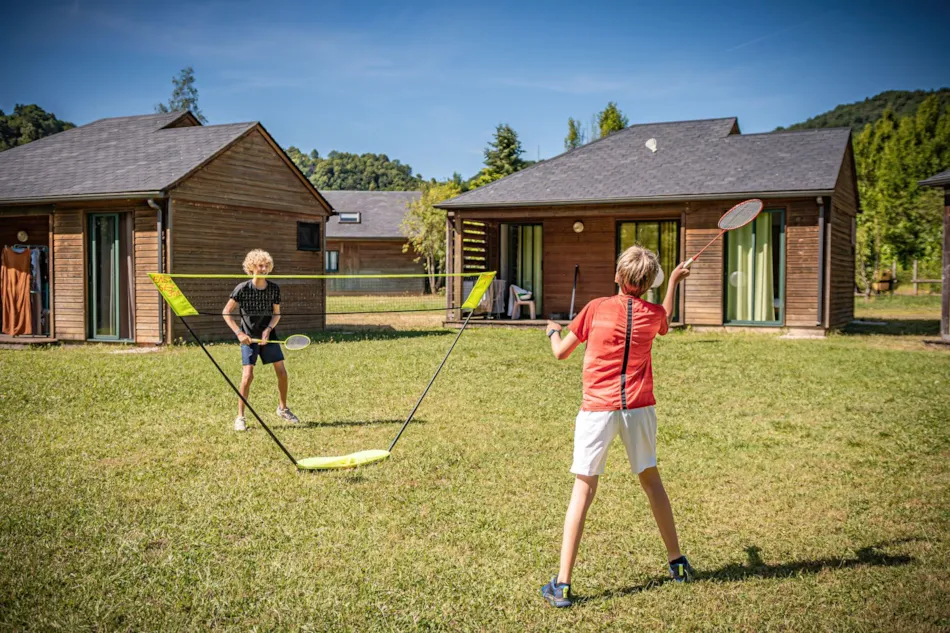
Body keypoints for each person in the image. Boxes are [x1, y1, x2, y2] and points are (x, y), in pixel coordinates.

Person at [540, 245, 693, 608]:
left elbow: (561, 352)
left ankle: (562, 585)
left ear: (617, 276)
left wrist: (551, 331)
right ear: (648, 283)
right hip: (639, 410)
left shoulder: (595, 309)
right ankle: (677, 563)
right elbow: (665, 321)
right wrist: (673, 280)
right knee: (652, 482)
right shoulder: (653, 313)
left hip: (597, 411)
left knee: (583, 490)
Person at [222, 249, 300, 431]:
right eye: (259, 265)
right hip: (248, 337)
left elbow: (276, 314)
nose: (263, 268)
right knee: (247, 376)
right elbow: (226, 312)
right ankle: (240, 417)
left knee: (282, 372)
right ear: (251, 267)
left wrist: (268, 330)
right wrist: (239, 334)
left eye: (266, 265)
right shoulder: (242, 289)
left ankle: (283, 408)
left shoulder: (274, 288)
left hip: (268, 336)